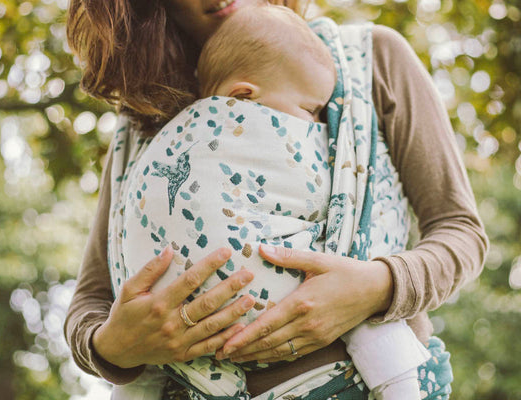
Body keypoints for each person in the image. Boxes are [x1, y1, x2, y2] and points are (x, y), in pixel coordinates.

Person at [64, 0, 489, 398]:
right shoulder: (144, 119)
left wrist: (376, 286)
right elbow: (92, 299)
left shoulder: (372, 58)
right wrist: (112, 348)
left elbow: (461, 232)